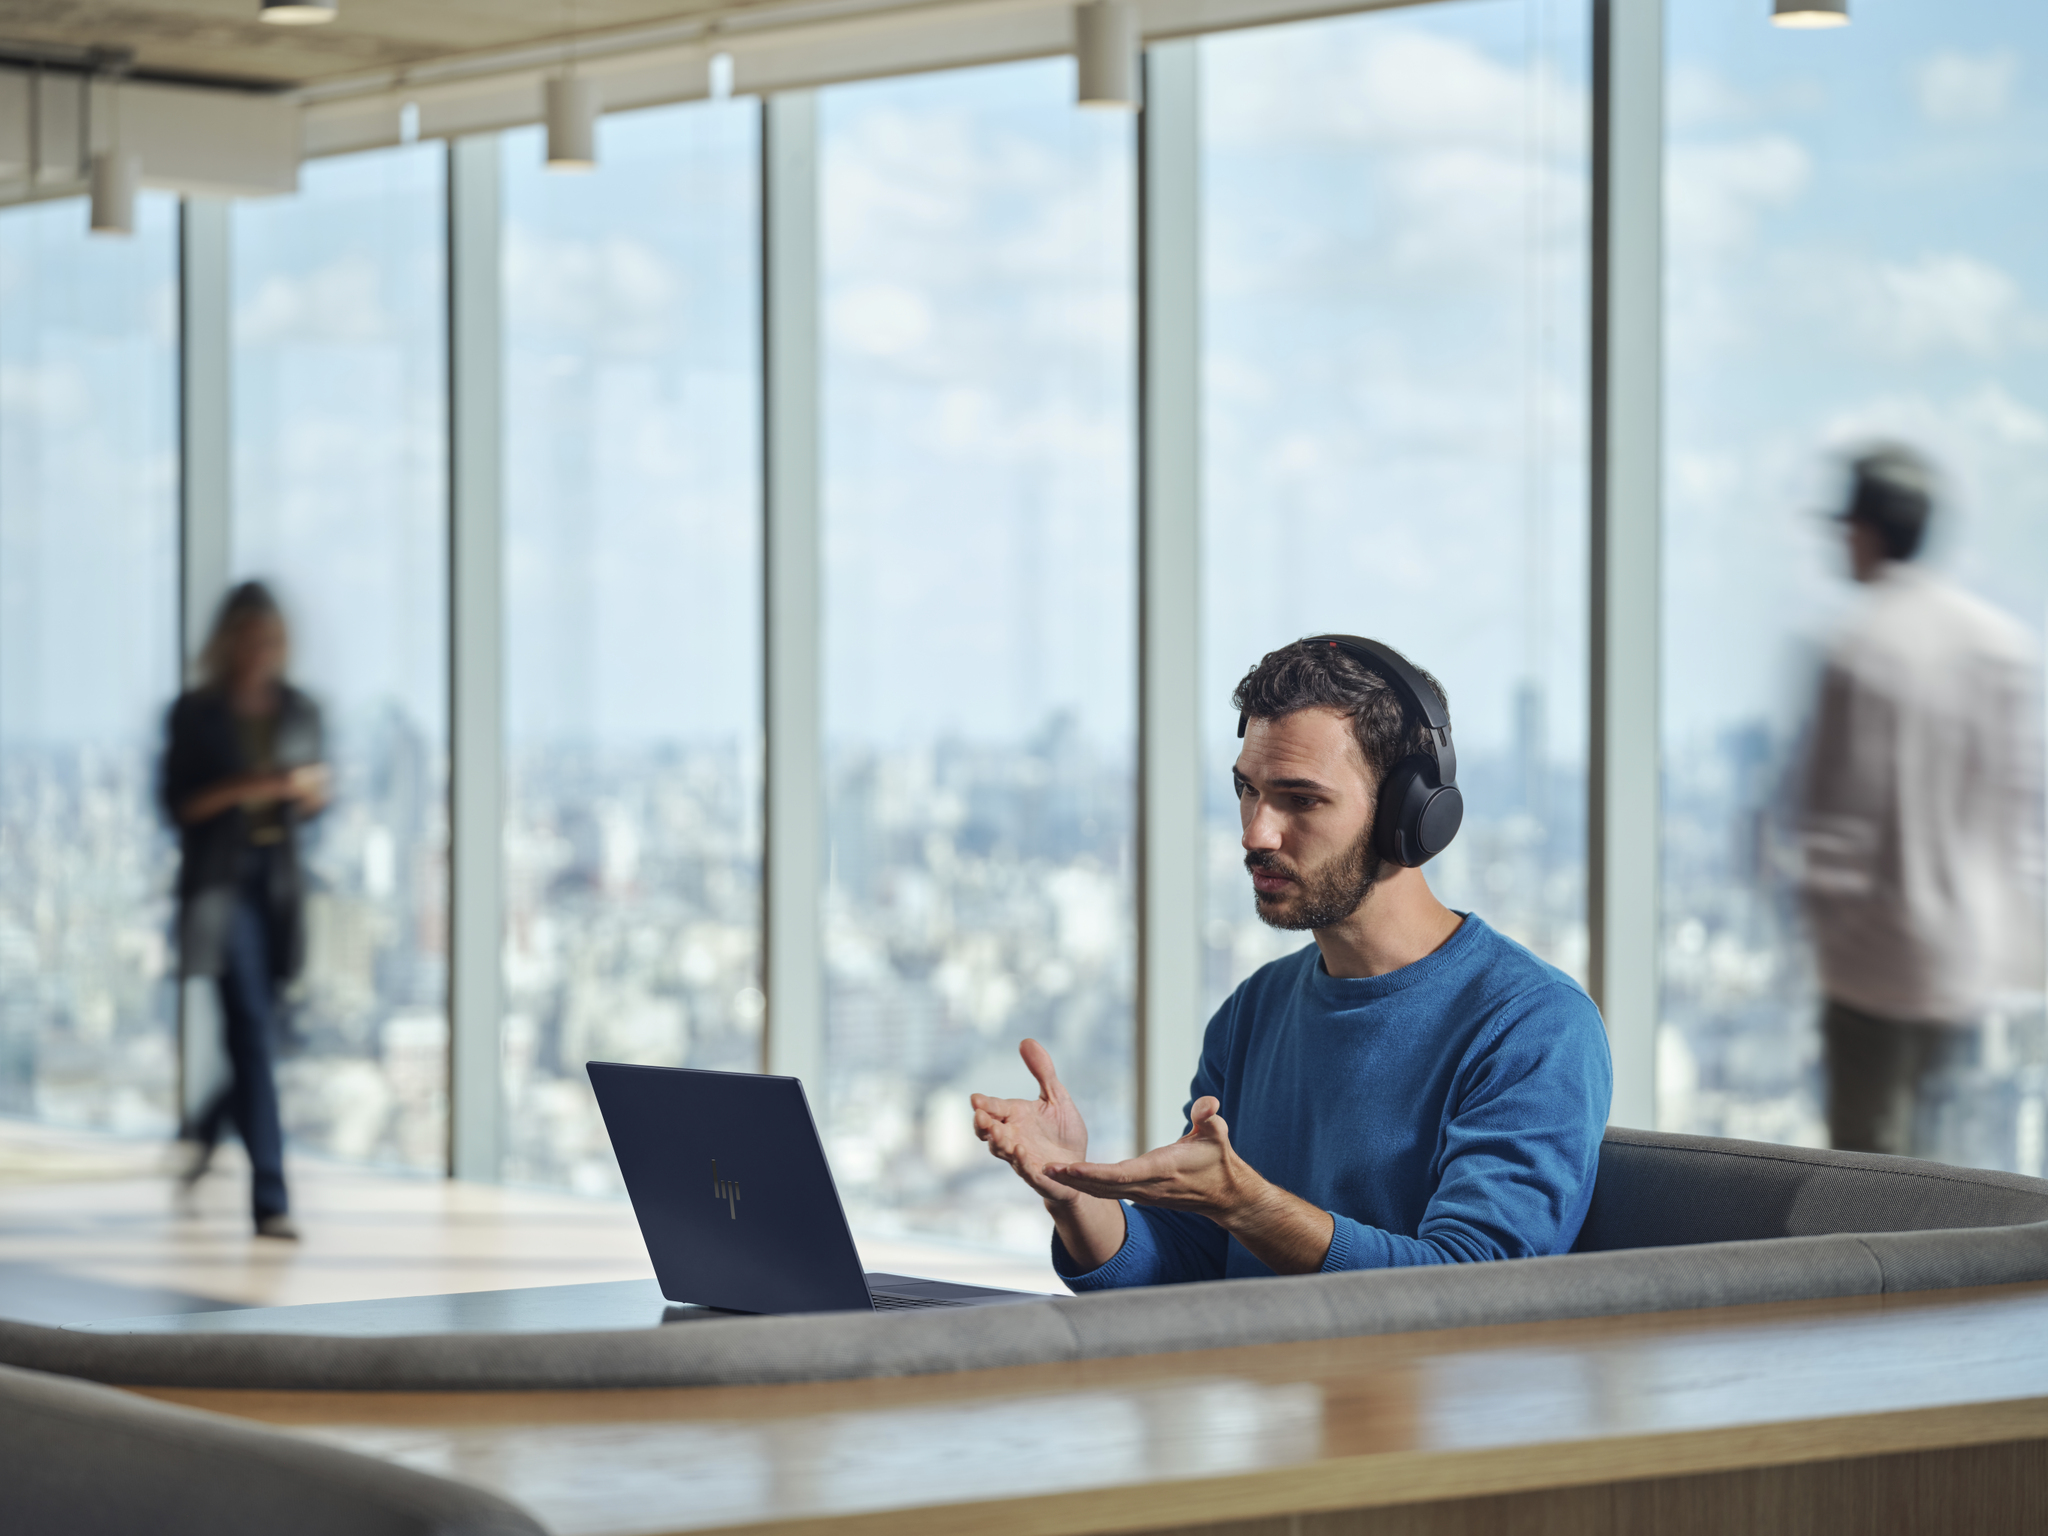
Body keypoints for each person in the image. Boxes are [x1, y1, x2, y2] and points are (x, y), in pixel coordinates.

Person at [972, 637, 1611, 1287]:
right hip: (1257, 1387)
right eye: (1247, 791)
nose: (1255, 833)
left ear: (1409, 817)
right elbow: (1191, 1263)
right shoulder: (1255, 1010)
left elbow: (1475, 1286)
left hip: (1413, 1391)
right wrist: (1073, 1195)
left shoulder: (1534, 1025)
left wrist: (1246, 1202)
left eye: (1300, 800)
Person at [1798, 446, 2043, 1159]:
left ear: (1870, 530)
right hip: (1968, 961)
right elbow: (2021, 814)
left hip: (1873, 962)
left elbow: (1838, 822)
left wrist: (1824, 931)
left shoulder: (1861, 646)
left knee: (1872, 1177)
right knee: (1957, 1170)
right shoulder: (2000, 646)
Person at [163, 582, 330, 1240]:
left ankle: (205, 1128)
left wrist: (308, 793)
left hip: (279, 882)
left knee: (265, 1033)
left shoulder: (300, 709)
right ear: (231, 641)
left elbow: (317, 797)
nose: (264, 651)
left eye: (273, 639)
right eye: (253, 638)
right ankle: (271, 1199)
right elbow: (179, 806)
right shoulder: (196, 713)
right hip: (221, 885)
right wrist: (254, 786)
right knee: (253, 1029)